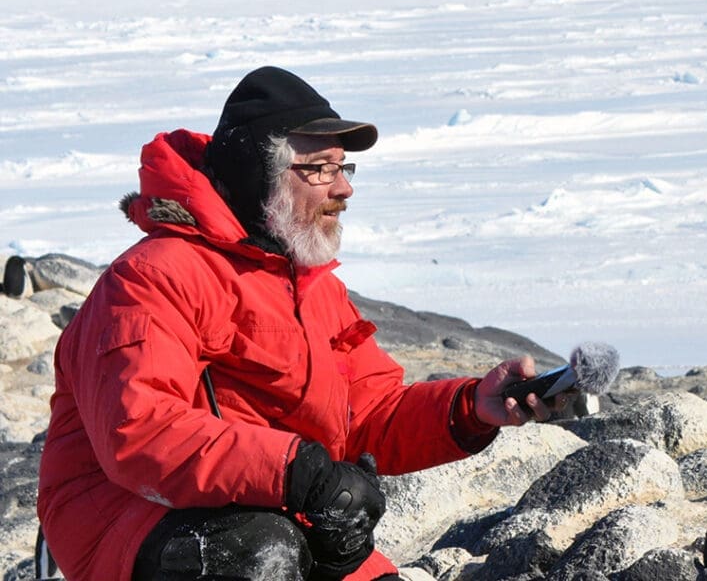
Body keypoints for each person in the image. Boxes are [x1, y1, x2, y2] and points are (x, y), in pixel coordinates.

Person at [37, 66, 569, 581]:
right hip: (127, 519)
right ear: (259, 175)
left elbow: (367, 416)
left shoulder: (312, 287)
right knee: (262, 554)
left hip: (269, 506)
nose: (343, 189)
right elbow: (141, 432)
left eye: (344, 167)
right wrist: (301, 473)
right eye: (320, 169)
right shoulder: (154, 276)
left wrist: (472, 407)